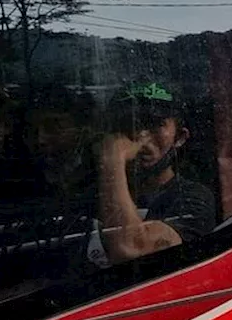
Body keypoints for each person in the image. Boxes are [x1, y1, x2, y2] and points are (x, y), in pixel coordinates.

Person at [91, 82, 216, 268]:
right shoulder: (92, 192)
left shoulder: (192, 199)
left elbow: (131, 251)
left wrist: (113, 160)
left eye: (155, 124)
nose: (140, 135)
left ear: (180, 137)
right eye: (129, 123)